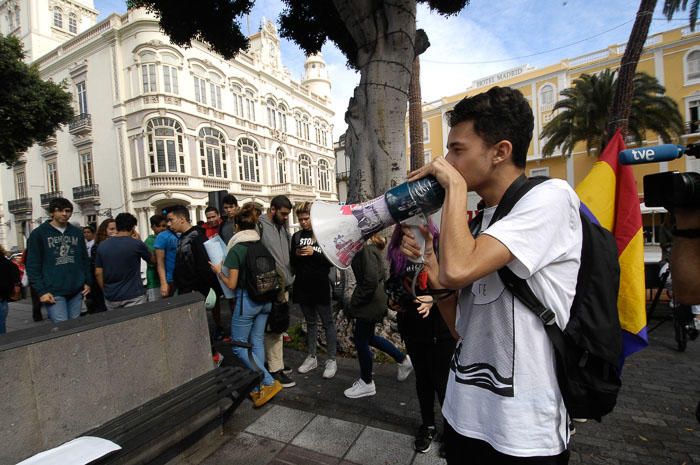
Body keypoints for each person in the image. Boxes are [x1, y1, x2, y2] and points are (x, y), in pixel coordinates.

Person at [401, 86, 579, 464]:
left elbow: (461, 268)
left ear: (500, 151)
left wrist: (454, 188)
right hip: (464, 415)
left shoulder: (551, 197)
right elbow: (459, 329)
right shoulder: (481, 219)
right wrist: (431, 262)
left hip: (524, 434)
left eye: (458, 150)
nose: (446, 161)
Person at [387, 224, 455, 454]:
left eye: (414, 228)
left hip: (441, 331)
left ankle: (451, 432)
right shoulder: (397, 252)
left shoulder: (439, 246)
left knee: (443, 383)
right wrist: (393, 301)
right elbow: (394, 285)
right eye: (405, 229)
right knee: (423, 381)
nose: (410, 234)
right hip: (413, 329)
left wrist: (433, 300)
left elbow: (453, 287)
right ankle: (427, 425)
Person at [209, 203, 283, 407]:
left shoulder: (237, 249)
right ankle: (259, 386)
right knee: (256, 341)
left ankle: (268, 381)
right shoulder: (261, 245)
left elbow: (231, 283)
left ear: (236, 227)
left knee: (238, 346)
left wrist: (218, 271)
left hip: (247, 301)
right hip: (265, 299)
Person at [344, 234, 413, 399]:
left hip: (369, 303)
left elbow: (370, 280)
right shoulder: (368, 248)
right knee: (369, 338)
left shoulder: (365, 249)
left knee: (361, 340)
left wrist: (355, 302)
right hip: (374, 300)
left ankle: (367, 382)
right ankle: (403, 360)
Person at [25, 197, 91, 324]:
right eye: (59, 210)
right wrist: (41, 291)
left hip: (76, 289)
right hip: (53, 291)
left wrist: (87, 281)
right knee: (62, 328)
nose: (64, 214)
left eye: (68, 211)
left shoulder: (76, 233)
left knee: (76, 326)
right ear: (52, 213)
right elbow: (33, 265)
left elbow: (84, 259)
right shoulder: (39, 234)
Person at [291, 201, 338, 379]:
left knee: (328, 323)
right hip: (302, 286)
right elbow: (293, 263)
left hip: (321, 286)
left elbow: (332, 260)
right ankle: (312, 356)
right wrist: (296, 255)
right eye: (301, 219)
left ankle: (331, 359)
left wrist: (315, 252)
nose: (303, 222)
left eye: (306, 219)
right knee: (310, 323)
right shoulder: (295, 237)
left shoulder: (324, 235)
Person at [259, 195, 296, 388]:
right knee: (274, 329)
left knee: (278, 327)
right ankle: (275, 369)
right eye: (283, 214)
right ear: (272, 209)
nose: (285, 218)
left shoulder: (281, 226)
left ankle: (275, 362)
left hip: (284, 284)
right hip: (272, 286)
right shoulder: (261, 226)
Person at [95, 213, 152, 310]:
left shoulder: (102, 245)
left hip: (112, 296)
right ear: (132, 227)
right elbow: (152, 260)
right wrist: (140, 240)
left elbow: (98, 272)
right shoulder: (136, 244)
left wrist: (105, 291)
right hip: (134, 295)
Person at [168, 205, 219, 297]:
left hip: (196, 291)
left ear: (182, 219)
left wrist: (201, 290)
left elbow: (204, 265)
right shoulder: (183, 236)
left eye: (171, 220)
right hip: (185, 290)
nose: (169, 224)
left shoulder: (197, 236)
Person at [86, 218, 117, 314]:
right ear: (104, 231)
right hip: (103, 286)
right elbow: (97, 271)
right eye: (111, 229)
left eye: (116, 229)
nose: (115, 232)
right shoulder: (98, 247)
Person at [154, 208, 180, 298]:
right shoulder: (162, 236)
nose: (169, 223)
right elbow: (160, 262)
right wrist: (163, 283)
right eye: (168, 220)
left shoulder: (184, 234)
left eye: (171, 220)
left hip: (185, 278)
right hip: (170, 280)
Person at [144, 214, 167, 302]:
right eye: (158, 226)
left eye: (164, 226)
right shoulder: (149, 241)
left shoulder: (167, 237)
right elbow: (154, 261)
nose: (162, 228)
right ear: (152, 227)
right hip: (154, 282)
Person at [0, 245, 20, 334]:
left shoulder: (5, 263)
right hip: (3, 298)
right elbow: (15, 272)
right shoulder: (6, 263)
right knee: (1, 324)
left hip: (2, 299)